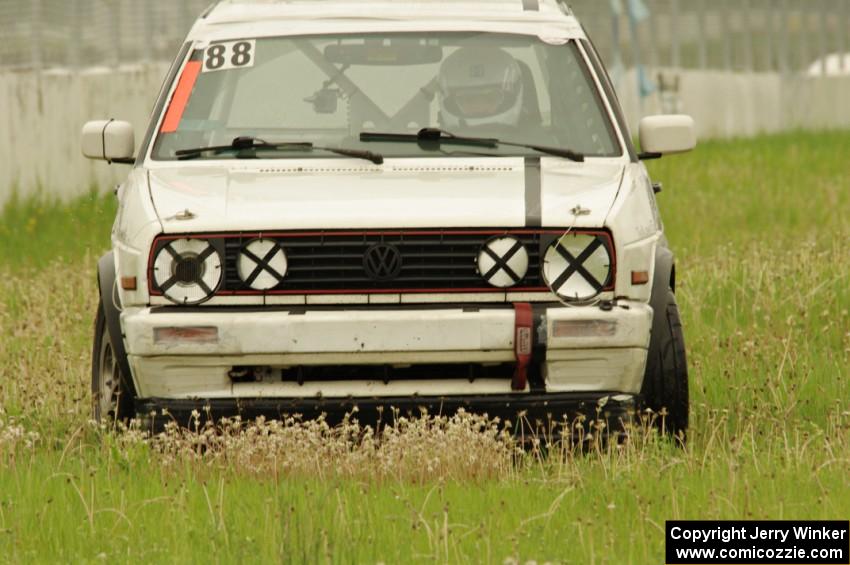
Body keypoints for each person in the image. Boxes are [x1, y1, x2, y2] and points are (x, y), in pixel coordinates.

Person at [438, 46, 528, 135]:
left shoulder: (534, 145)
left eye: (490, 98)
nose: (479, 107)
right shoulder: (429, 143)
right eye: (468, 99)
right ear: (453, 104)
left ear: (507, 101)